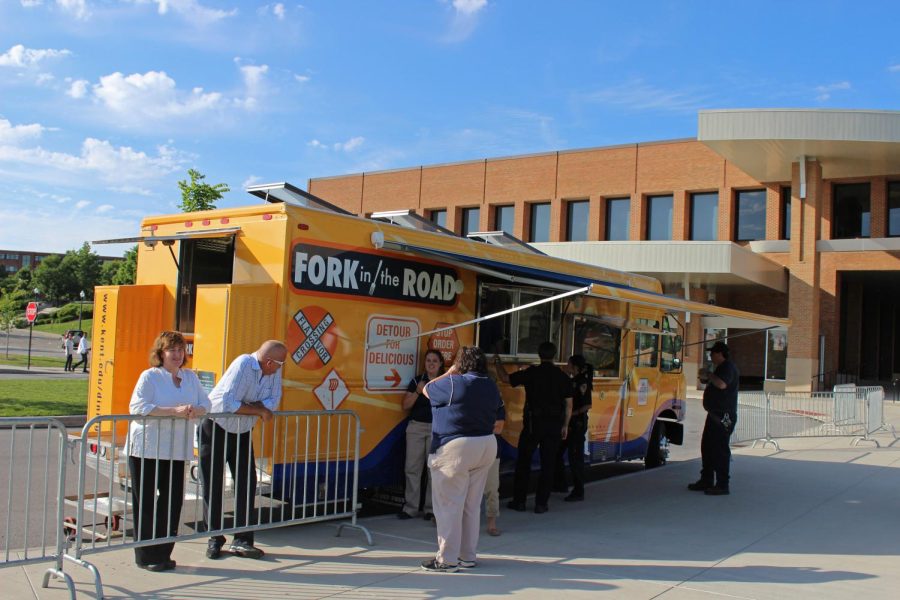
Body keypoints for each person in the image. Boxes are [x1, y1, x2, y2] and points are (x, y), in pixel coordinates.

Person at [126, 331, 210, 572]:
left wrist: (197, 409)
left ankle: (164, 552)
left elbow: (207, 402)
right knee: (147, 502)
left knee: (172, 502)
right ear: (161, 353)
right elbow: (138, 406)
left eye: (181, 350)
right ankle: (146, 556)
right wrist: (174, 411)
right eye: (171, 350)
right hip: (148, 449)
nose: (177, 354)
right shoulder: (150, 376)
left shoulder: (190, 378)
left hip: (176, 450)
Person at [200, 340, 287, 560]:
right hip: (216, 426)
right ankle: (214, 538)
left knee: (247, 483)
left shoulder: (273, 371)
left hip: (241, 429)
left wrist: (251, 408)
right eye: (279, 364)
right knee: (213, 484)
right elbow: (229, 403)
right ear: (268, 361)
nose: (280, 368)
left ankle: (243, 540)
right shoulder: (243, 364)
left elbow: (274, 402)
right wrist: (259, 409)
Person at [420, 346, 501, 574]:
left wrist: (450, 372)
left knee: (449, 506)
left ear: (460, 363)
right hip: (486, 444)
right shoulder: (490, 385)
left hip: (456, 447)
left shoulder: (455, 383)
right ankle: (467, 556)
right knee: (471, 505)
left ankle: (447, 559)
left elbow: (427, 389)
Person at [495, 341, 572, 514]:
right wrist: (565, 425)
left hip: (532, 424)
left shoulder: (531, 373)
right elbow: (568, 405)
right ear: (555, 355)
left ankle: (519, 501)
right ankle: (541, 504)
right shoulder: (563, 377)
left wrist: (498, 363)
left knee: (524, 462)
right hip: (553, 425)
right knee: (548, 464)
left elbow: (505, 379)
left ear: (539, 354)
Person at [688, 340, 739, 496]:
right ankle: (707, 479)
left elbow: (722, 384)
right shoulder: (720, 368)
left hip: (723, 416)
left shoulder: (727, 367)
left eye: (712, 353)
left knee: (719, 450)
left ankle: (722, 484)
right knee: (708, 448)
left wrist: (709, 375)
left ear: (719, 353)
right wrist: (707, 378)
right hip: (714, 415)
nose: (710, 356)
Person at [399, 349, 444, 521]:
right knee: (412, 468)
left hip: (437, 429)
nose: (431, 364)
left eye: (434, 361)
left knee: (433, 470)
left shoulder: (444, 382)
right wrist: (418, 391)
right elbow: (405, 405)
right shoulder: (417, 381)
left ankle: (430, 509)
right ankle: (410, 507)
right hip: (416, 427)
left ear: (440, 364)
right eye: (428, 360)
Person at [554, 355, 593, 502]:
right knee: (558, 453)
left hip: (577, 424)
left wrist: (573, 413)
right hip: (569, 424)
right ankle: (560, 483)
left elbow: (588, 405)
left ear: (575, 366)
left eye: (569, 364)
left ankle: (578, 491)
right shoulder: (573, 381)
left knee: (575, 458)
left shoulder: (582, 382)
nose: (567, 365)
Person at [483, 405, 505, 537]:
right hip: (471, 452)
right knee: (464, 489)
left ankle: (492, 524)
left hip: (492, 452)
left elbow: (499, 428)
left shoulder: (498, 405)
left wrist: (477, 425)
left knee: (492, 489)